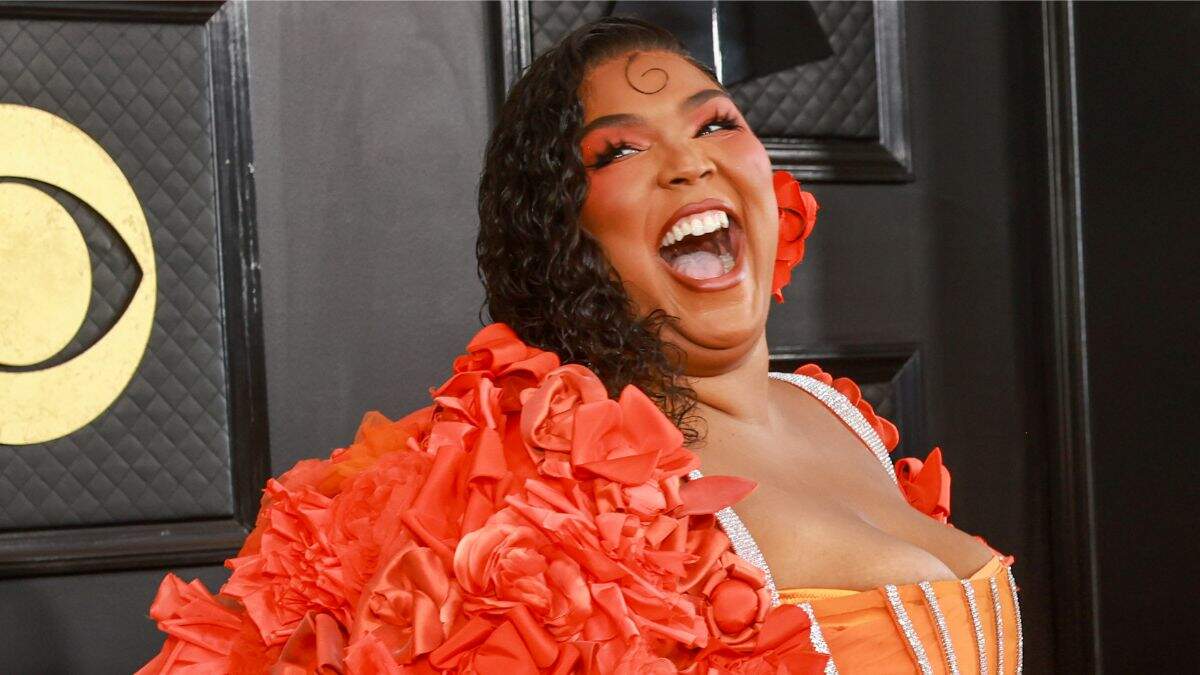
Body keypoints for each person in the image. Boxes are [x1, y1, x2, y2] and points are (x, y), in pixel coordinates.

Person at [139, 17, 1022, 674]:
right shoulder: (560, 491)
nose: (690, 161)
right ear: (566, 235)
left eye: (716, 123)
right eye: (620, 151)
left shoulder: (837, 412)